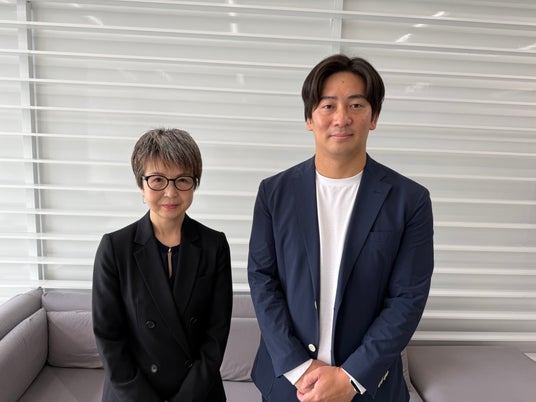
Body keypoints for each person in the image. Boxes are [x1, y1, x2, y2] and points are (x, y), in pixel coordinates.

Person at [247, 54, 434, 402]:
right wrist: (301, 369)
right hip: (290, 385)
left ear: (374, 117)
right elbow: (262, 280)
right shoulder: (274, 193)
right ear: (309, 118)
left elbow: (407, 298)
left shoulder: (410, 200)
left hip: (369, 387)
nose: (341, 118)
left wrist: (351, 378)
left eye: (356, 105)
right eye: (328, 105)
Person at [92, 128, 233, 402]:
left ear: (194, 184)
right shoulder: (115, 248)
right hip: (132, 394)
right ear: (141, 184)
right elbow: (109, 338)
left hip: (198, 394)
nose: (171, 192)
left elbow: (216, 336)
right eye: (158, 180)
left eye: (182, 180)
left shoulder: (214, 245)